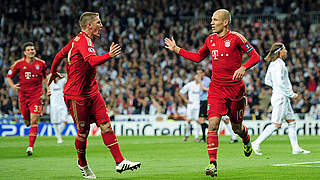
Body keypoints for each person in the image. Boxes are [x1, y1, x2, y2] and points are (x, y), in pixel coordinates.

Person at [165, 9, 261, 177]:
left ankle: (246, 139)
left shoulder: (236, 38)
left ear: (225, 22)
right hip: (216, 89)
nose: (211, 22)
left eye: (215, 20)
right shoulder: (210, 40)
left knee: (236, 128)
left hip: (235, 90)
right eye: (211, 19)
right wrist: (177, 49)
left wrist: (243, 67)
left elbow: (255, 56)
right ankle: (212, 164)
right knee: (213, 125)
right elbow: (197, 57)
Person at [48, 12, 141, 179]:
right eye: (98, 22)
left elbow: (59, 55)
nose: (101, 25)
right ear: (89, 25)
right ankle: (82, 164)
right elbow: (91, 61)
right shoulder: (83, 40)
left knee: (106, 125)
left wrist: (53, 71)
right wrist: (109, 55)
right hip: (77, 95)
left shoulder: (79, 40)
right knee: (83, 132)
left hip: (92, 92)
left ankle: (120, 161)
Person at [252, 43, 311, 155]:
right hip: (281, 98)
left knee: (291, 121)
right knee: (276, 124)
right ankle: (256, 143)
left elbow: (267, 81)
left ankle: (296, 148)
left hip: (280, 96)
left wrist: (278, 89)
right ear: (279, 52)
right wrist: (291, 94)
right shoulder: (279, 65)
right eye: (284, 49)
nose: (286, 51)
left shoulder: (272, 64)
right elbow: (279, 82)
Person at [7, 42, 48, 156]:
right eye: (29, 50)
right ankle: (27, 122)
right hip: (23, 96)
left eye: (32, 49)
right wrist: (13, 86)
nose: (31, 51)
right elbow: (9, 76)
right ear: (25, 52)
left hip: (36, 96)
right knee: (27, 122)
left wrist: (47, 89)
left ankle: (30, 147)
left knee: (34, 120)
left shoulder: (41, 64)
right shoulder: (18, 64)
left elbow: (45, 78)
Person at [179, 74, 201, 142]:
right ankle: (186, 135)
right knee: (188, 121)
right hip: (190, 106)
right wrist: (185, 100)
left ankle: (196, 137)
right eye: (197, 76)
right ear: (195, 77)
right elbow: (181, 92)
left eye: (199, 77)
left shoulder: (201, 85)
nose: (198, 78)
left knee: (197, 121)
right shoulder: (190, 84)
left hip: (198, 105)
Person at [49, 74, 68, 144]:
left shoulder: (61, 82)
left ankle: (58, 133)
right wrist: (53, 74)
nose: (56, 78)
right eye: (55, 77)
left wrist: (60, 75)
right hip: (54, 105)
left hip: (62, 105)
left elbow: (67, 76)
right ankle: (59, 138)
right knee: (55, 122)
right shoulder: (50, 83)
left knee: (65, 121)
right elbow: (47, 77)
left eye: (57, 77)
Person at [197, 68, 210, 143]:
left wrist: (199, 81)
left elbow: (204, 89)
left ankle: (204, 136)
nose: (199, 75)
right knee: (200, 120)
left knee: (201, 119)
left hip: (206, 101)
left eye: (200, 73)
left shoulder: (206, 80)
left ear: (203, 73)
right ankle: (204, 136)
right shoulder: (199, 80)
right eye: (198, 73)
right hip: (201, 101)